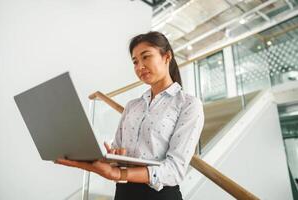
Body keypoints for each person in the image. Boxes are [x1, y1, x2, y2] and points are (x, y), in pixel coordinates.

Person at [55, 31, 204, 200]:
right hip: (124, 193)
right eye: (135, 62)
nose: (140, 66)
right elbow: (118, 151)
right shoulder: (132, 106)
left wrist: (120, 173)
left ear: (167, 56)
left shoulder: (188, 105)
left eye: (146, 57)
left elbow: (174, 170)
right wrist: (115, 158)